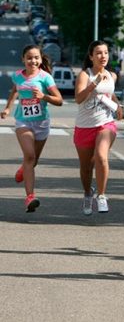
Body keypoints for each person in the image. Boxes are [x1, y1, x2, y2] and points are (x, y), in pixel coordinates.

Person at [0, 45, 63, 212]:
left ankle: (23, 169)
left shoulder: (45, 77)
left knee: (33, 161)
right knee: (29, 156)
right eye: (29, 57)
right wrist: (8, 108)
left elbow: (59, 100)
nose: (32, 61)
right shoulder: (17, 76)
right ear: (23, 59)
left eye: (36, 58)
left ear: (41, 60)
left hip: (42, 123)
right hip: (23, 122)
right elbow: (15, 91)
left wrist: (44, 96)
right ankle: (30, 197)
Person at [74, 40, 124, 215]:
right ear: (91, 56)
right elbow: (78, 99)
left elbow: (110, 94)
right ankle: (88, 193)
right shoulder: (84, 75)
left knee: (101, 156)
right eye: (98, 53)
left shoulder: (112, 75)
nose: (103, 56)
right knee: (86, 167)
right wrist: (93, 84)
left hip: (105, 123)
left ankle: (101, 195)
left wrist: (118, 106)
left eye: (106, 53)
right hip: (84, 126)